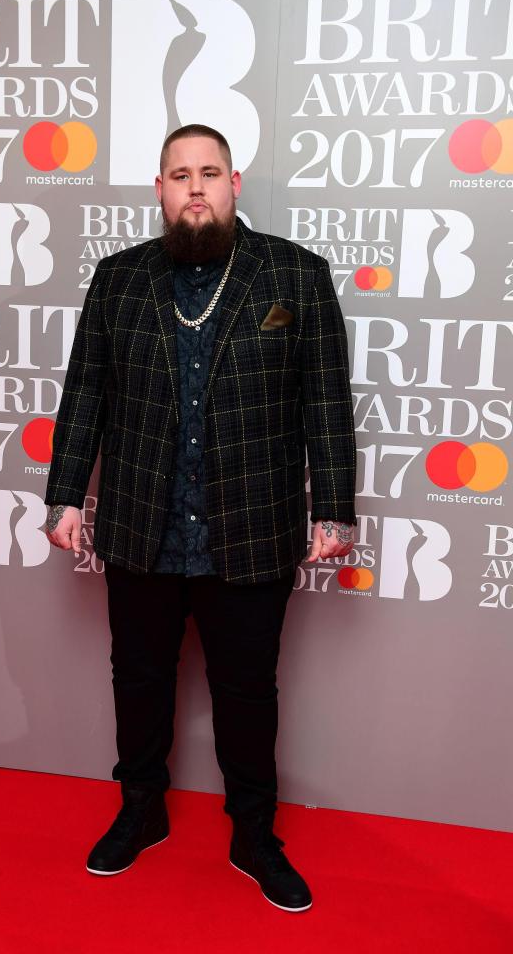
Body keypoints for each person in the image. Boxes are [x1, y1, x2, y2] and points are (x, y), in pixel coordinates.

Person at [44, 124, 357, 913]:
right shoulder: (118, 280)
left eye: (208, 172)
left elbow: (326, 403)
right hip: (141, 519)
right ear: (159, 187)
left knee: (248, 690)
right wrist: (63, 494)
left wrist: (337, 512)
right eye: (179, 173)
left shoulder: (295, 273)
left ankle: (254, 833)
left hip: (250, 523)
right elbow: (86, 392)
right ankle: (141, 810)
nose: (194, 186)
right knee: (139, 679)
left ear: (233, 183)